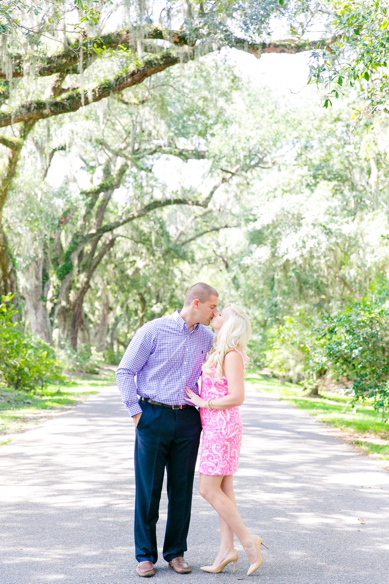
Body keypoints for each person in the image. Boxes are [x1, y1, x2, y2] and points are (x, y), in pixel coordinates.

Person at [116, 282, 219, 578]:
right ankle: (145, 556)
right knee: (148, 490)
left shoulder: (208, 338)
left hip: (188, 420)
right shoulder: (153, 330)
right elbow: (125, 371)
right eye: (213, 307)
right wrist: (137, 414)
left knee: (181, 489)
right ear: (196, 303)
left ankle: (176, 553)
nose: (216, 312)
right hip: (152, 416)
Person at [185, 303, 267, 577]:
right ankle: (225, 551)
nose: (215, 315)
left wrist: (203, 402)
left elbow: (237, 397)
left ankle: (247, 542)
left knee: (208, 490)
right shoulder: (220, 350)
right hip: (217, 427)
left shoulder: (232, 354)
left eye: (220, 314)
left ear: (230, 324)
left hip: (222, 428)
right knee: (225, 491)